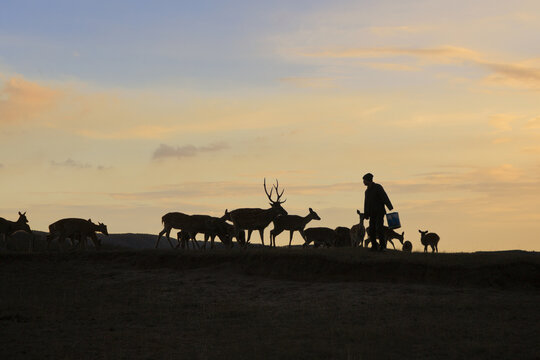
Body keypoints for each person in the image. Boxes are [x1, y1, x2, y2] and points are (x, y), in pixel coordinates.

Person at [363, 173, 393, 251]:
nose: (363, 182)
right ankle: (374, 246)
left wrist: (390, 207)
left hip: (379, 212)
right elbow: (366, 204)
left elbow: (384, 197)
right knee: (371, 230)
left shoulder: (378, 187)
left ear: (368, 180)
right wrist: (366, 214)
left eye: (364, 180)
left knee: (379, 228)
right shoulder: (367, 191)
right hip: (371, 213)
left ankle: (383, 247)